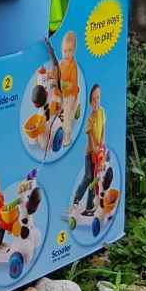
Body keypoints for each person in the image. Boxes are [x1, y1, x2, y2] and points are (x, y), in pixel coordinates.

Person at [73, 84, 105, 215]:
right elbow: (90, 139)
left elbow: (103, 129)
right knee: (88, 177)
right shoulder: (90, 119)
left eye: (98, 98)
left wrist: (102, 143)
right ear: (90, 102)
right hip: (90, 153)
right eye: (93, 99)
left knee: (95, 179)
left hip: (99, 151)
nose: (96, 101)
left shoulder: (102, 112)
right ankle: (76, 198)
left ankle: (89, 207)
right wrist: (95, 150)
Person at [59, 30, 80, 145]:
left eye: (70, 50)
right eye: (65, 51)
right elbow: (58, 75)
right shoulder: (62, 63)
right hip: (62, 92)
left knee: (66, 113)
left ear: (74, 50)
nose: (67, 54)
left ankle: (67, 136)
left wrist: (62, 84)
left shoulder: (73, 66)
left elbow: (73, 85)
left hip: (71, 93)